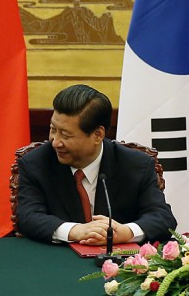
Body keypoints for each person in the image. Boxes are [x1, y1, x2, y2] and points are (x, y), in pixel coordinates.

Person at [15, 84, 176, 245]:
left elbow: (162, 217)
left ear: (97, 135)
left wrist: (126, 232)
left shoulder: (136, 165)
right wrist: (75, 231)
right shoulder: (36, 163)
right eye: (53, 129)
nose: (56, 142)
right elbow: (28, 217)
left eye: (66, 135)